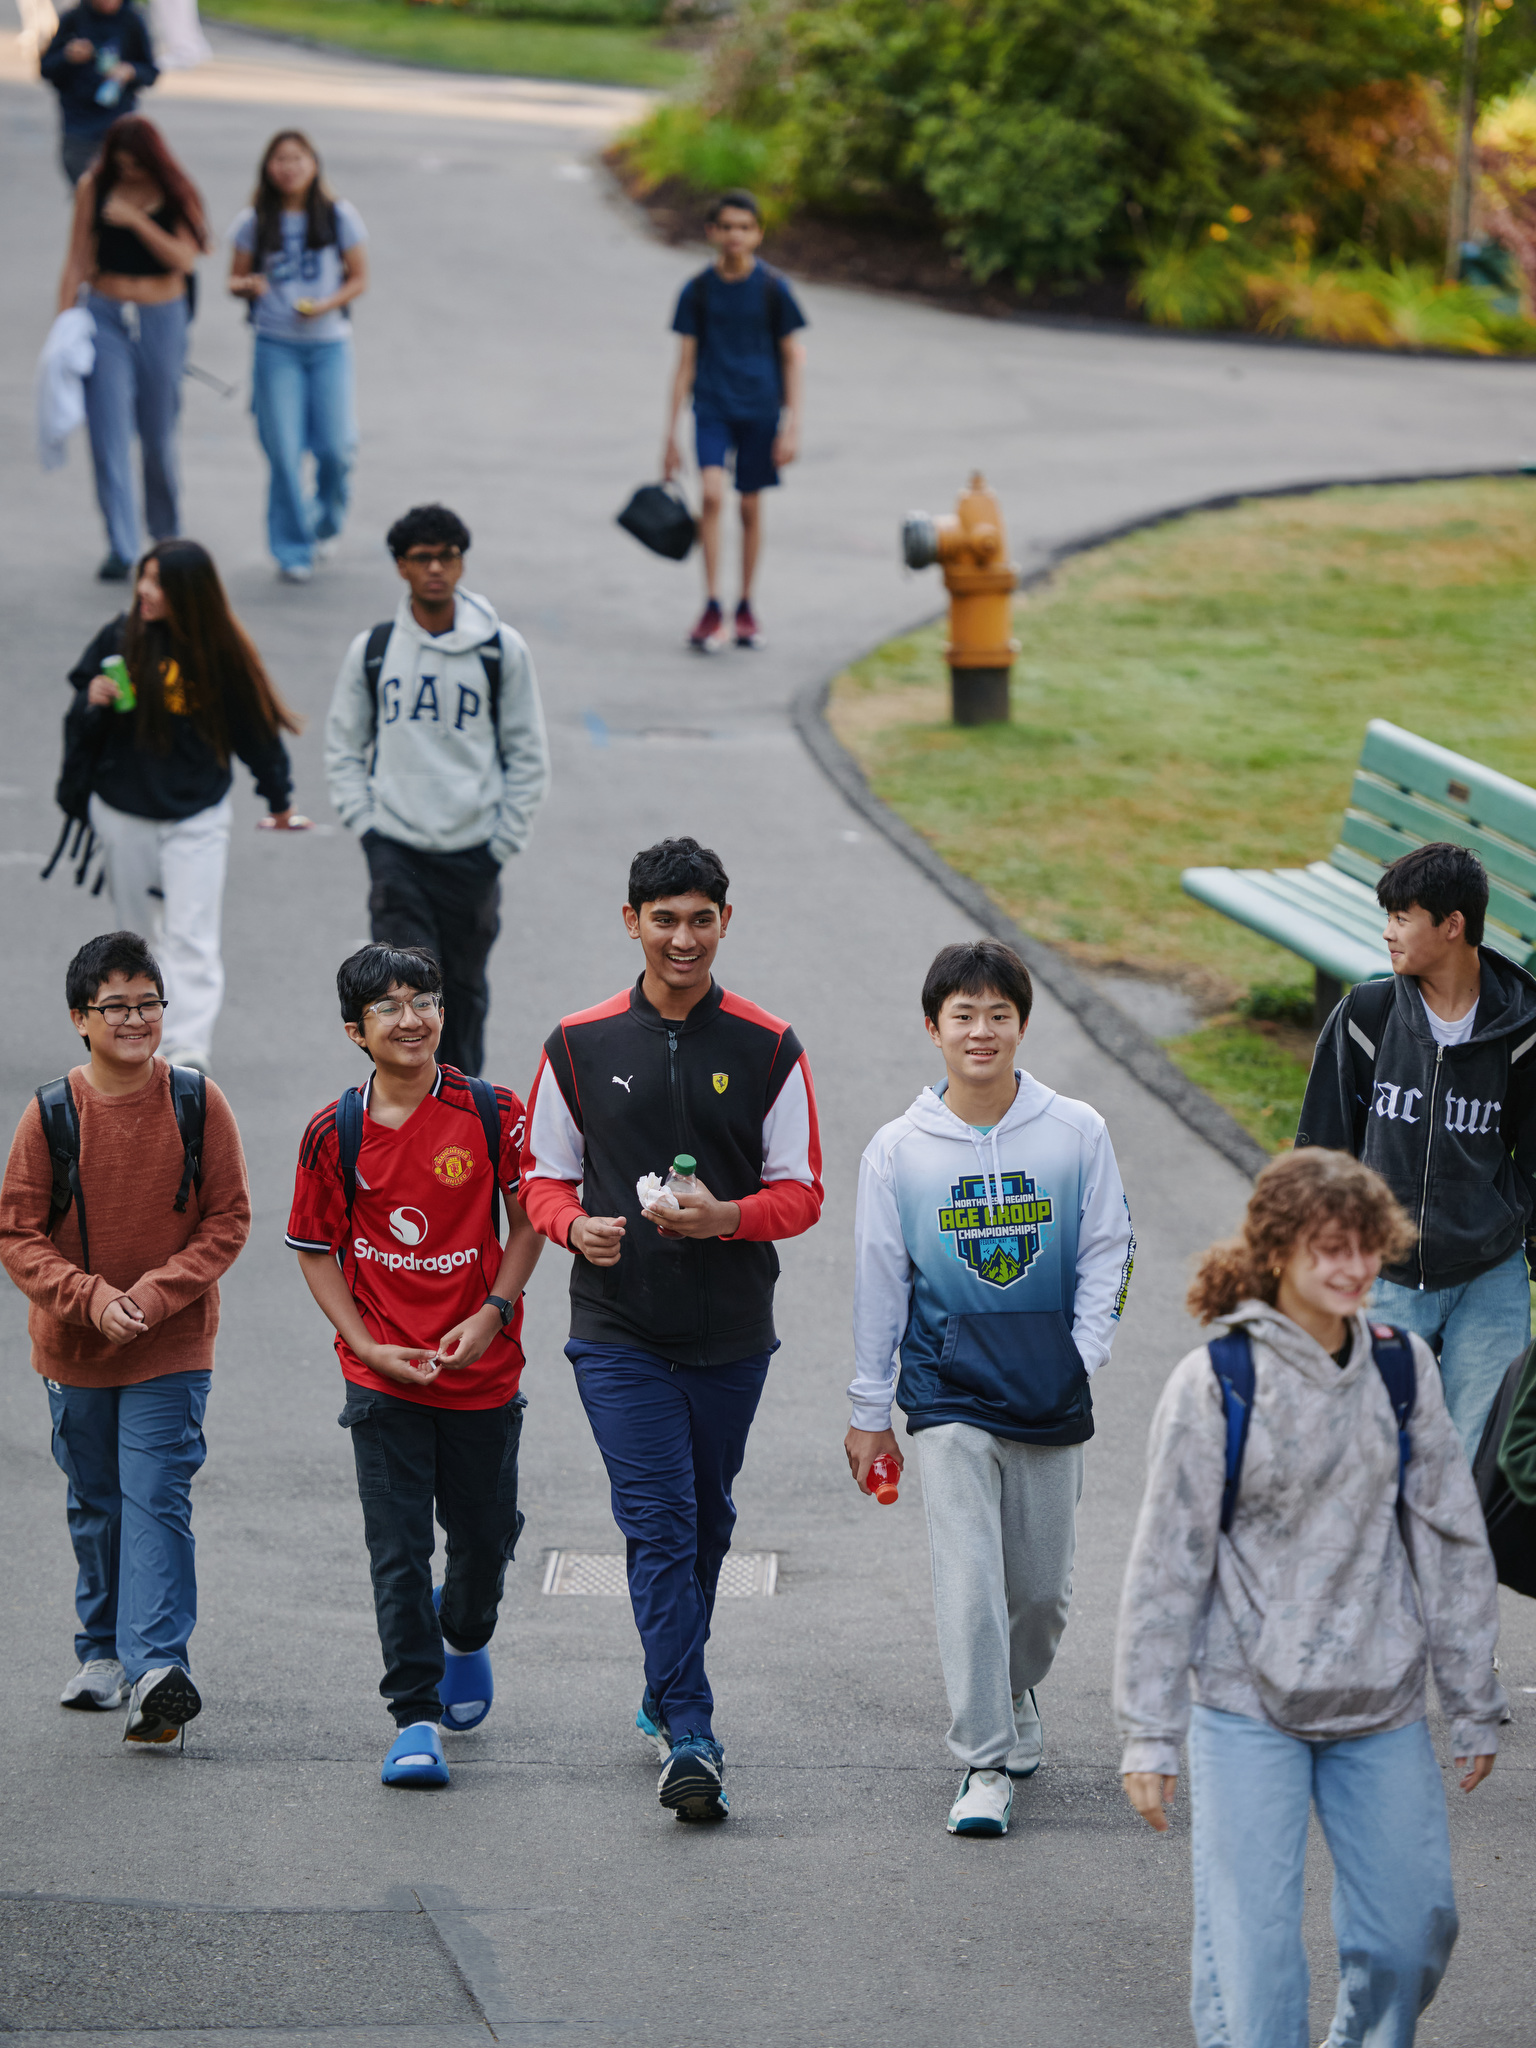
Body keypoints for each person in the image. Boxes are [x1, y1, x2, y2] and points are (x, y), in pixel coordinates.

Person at [1115, 1148, 1505, 2048]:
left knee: (1411, 1938)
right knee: (1254, 1976)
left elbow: (1450, 1541)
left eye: (1367, 1247)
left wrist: (1473, 1703)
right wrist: (1149, 1728)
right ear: (1279, 1252)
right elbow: (1168, 1563)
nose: (1354, 1268)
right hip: (1247, 1703)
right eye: (1331, 1248)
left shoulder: (1403, 1369)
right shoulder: (1216, 1383)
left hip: (1382, 1698)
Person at [520, 836, 823, 1823]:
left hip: (734, 1329)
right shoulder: (578, 1041)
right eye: (665, 918)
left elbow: (802, 1190)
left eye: (701, 918)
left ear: (724, 922)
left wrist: (726, 1216)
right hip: (617, 1327)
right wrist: (576, 1227)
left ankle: (662, 1680)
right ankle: (690, 1730)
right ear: (631, 922)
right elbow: (540, 1177)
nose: (683, 937)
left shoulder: (770, 1044)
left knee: (708, 1523)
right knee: (656, 1524)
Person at [845, 940, 1133, 1837]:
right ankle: (982, 1762)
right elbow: (878, 1281)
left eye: (998, 1015)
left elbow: (1109, 1250)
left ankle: (1015, 1689)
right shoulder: (898, 1150)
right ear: (933, 1029)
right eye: (962, 1016)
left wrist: (1080, 1355)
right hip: (946, 1392)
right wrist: (870, 1411)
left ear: (1021, 1025)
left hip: (1049, 1391)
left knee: (1041, 1593)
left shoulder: (1075, 1130)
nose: (981, 1032)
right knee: (968, 1575)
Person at [287, 944, 544, 1789]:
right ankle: (415, 1718)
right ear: (355, 1032)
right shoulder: (336, 1132)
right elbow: (315, 1251)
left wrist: (492, 1312)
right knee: (397, 1552)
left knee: (481, 1540)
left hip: (483, 1373)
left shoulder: (489, 1110)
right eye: (389, 1007)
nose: (411, 1018)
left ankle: (465, 1636)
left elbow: (529, 1219)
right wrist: (365, 1345)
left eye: (424, 999)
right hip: (382, 1382)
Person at [0, 931, 251, 1744]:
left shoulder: (196, 1102)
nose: (136, 1019)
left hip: (170, 1347)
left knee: (156, 1497)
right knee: (97, 1501)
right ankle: (101, 1652)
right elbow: (17, 1233)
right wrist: (89, 1300)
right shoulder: (49, 1114)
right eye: (117, 1007)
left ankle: (156, 1670)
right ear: (82, 1018)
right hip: (74, 1352)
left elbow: (228, 1221)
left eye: (148, 1003)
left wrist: (149, 1296)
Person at [1296, 841, 1536, 1458]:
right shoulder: (1366, 1016)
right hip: (1384, 1272)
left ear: (1453, 926)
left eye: (1402, 918)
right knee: (1367, 1451)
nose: (1387, 933)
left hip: (1490, 1271)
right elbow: (1322, 1153)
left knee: (1474, 1456)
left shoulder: (1524, 1032)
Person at [324, 504, 550, 1077]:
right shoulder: (373, 650)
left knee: (464, 997)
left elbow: (528, 753)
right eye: (421, 558)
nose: (435, 569)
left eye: (447, 556)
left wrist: (502, 841)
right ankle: (405, 1112)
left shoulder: (501, 650)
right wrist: (369, 830)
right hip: (397, 850)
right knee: (403, 996)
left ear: (461, 563)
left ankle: (466, 1113)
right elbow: (343, 746)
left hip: (473, 854)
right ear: (400, 566)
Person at [64, 538, 305, 1073]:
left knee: (192, 932)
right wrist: (95, 700)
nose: (145, 591)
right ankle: (135, 1034)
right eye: (143, 578)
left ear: (187, 593)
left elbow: (255, 730)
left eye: (158, 582)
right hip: (124, 809)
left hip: (196, 813)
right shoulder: (119, 638)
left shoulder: (219, 654)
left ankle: (190, 1048)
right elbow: (81, 707)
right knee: (133, 936)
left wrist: (279, 798)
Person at [55, 114, 209, 581]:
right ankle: (121, 544)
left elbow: (185, 257)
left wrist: (137, 221)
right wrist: (63, 324)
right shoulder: (94, 187)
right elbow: (77, 258)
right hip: (105, 314)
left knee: (158, 437)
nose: (127, 172)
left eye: (136, 164)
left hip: (162, 315)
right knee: (108, 435)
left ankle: (165, 535)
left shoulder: (177, 190)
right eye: (119, 163)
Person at [662, 189, 806, 655]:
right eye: (726, 227)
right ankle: (710, 604)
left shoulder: (773, 288)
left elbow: (792, 356)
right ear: (711, 232)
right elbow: (683, 363)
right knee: (710, 494)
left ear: (758, 234)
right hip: (712, 408)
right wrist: (669, 435)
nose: (735, 236)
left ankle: (745, 605)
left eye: (744, 227)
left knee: (749, 506)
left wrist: (793, 424)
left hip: (761, 410)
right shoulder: (698, 290)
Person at [228, 130, 369, 585]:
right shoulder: (254, 220)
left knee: (336, 448)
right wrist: (248, 286)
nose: (288, 167)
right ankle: (292, 546)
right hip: (275, 344)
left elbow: (359, 277)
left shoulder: (337, 216)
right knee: (284, 451)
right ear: (268, 168)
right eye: (280, 159)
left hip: (328, 344)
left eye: (297, 158)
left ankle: (325, 520)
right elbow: (235, 277)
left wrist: (327, 304)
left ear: (314, 164)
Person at [40, 0, 157, 189]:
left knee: (114, 197)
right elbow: (46, 68)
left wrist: (130, 71)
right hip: (78, 125)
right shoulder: (74, 19)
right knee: (87, 192)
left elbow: (150, 72)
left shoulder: (132, 20)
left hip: (118, 126)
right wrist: (67, 56)